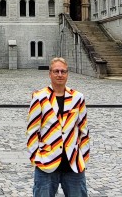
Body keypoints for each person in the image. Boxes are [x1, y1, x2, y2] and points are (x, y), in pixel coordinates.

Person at [27, 57, 90, 197]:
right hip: (46, 162)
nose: (60, 75)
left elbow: (83, 129)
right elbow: (32, 130)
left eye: (63, 71)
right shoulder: (39, 97)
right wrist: (36, 157)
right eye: (56, 71)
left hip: (73, 163)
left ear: (67, 74)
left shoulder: (77, 98)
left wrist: (83, 157)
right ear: (50, 74)